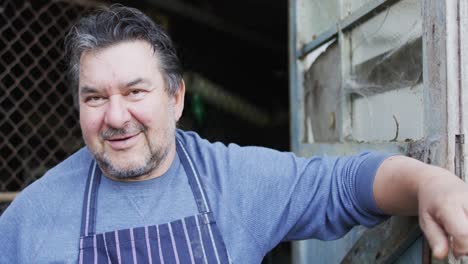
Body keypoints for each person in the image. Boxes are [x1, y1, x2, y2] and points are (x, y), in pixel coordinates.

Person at [1, 5, 467, 263]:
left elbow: (344, 185)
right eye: (95, 98)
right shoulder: (28, 221)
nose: (116, 117)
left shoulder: (232, 180)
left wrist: (430, 183)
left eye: (135, 91)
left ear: (176, 97)